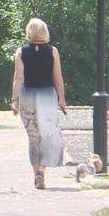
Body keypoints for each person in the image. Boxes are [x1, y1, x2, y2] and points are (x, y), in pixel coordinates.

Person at [11, 18, 67, 190]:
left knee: (33, 136)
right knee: (47, 134)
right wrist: (62, 99)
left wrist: (14, 100)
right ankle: (42, 170)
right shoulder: (52, 51)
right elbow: (57, 78)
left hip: (28, 95)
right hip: (47, 95)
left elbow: (18, 77)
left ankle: (36, 173)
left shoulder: (21, 51)